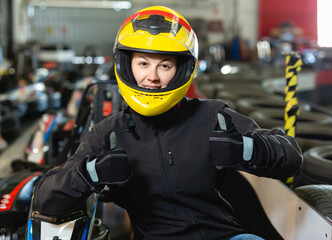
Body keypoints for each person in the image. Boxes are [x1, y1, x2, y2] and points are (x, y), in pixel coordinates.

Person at [33, 6, 303, 240]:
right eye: (142, 63)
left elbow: (292, 155)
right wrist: (89, 174)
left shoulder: (212, 117)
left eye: (164, 65)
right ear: (126, 65)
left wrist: (248, 150)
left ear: (182, 70)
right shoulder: (109, 134)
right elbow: (46, 199)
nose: (151, 77)